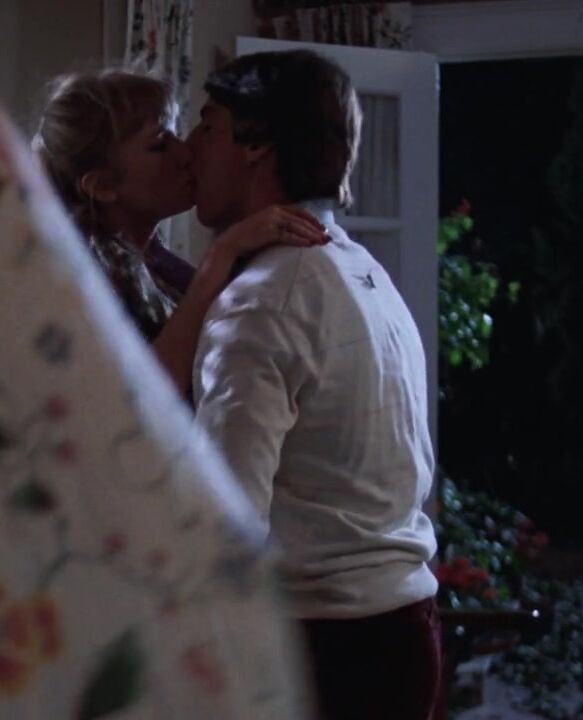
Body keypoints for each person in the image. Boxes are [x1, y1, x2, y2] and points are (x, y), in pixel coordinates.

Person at [186, 50, 442, 720]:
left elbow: (226, 524)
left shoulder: (262, 302)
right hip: (400, 627)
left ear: (255, 143)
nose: (190, 148)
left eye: (206, 127)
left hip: (328, 649)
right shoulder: (363, 273)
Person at [32, 70, 327, 397]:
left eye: (175, 134)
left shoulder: (157, 262)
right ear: (103, 186)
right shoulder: (81, 281)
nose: (186, 152)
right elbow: (139, 401)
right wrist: (221, 255)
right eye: (160, 145)